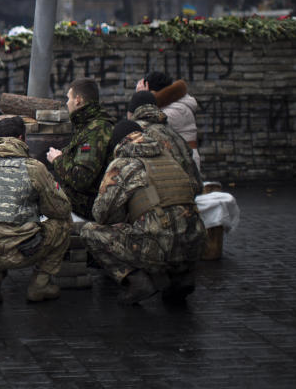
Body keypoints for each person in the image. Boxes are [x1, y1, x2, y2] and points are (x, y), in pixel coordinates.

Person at [81, 120, 207, 305]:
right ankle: (181, 277)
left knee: (90, 231)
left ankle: (137, 282)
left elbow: (102, 214)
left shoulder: (123, 165)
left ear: (118, 142)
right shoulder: (169, 158)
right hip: (195, 243)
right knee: (169, 225)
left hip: (159, 246)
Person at [0, 116, 71, 303]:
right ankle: (40, 285)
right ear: (22, 138)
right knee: (63, 224)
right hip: (22, 251)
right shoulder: (33, 168)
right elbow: (60, 210)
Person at [46, 77, 114, 220]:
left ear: (78, 100)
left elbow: (82, 178)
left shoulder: (96, 130)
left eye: (68, 98)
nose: (66, 103)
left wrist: (58, 160)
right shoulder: (87, 125)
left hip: (86, 209)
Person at [127, 91, 202, 195]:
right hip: (190, 197)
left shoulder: (137, 134)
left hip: (166, 201)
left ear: (131, 112)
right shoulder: (171, 131)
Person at [136, 72, 201, 170]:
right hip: (179, 159)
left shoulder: (178, 109)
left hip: (185, 162)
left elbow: (143, 128)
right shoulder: (170, 105)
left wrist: (142, 99)